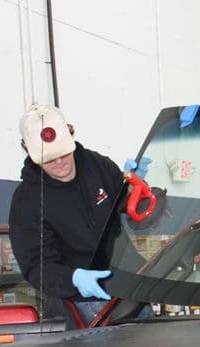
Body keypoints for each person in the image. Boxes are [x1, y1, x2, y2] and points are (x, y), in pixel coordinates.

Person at [9, 104, 122, 316]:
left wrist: (142, 193)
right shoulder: (28, 201)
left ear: (71, 133)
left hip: (129, 290)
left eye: (63, 153)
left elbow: (131, 212)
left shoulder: (98, 166)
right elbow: (36, 267)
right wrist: (74, 279)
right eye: (49, 159)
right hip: (84, 304)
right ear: (27, 150)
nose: (60, 162)